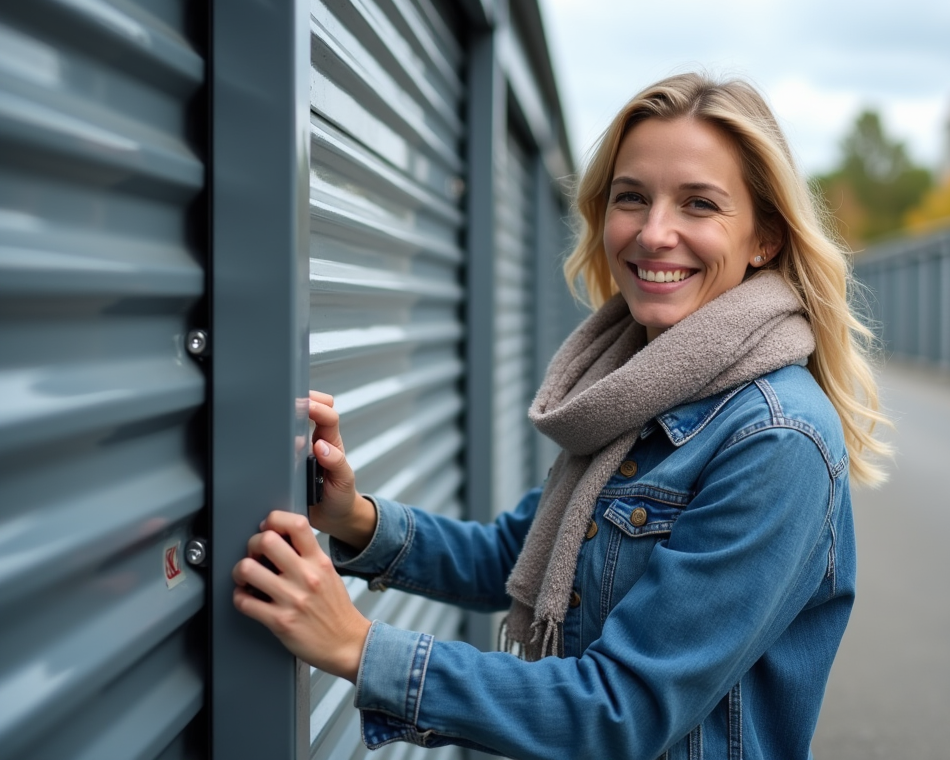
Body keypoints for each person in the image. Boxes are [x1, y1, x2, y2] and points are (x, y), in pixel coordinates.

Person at [232, 72, 890, 759]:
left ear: (766, 239)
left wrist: (358, 647)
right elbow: (515, 556)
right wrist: (352, 519)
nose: (654, 232)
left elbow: (622, 711)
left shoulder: (775, 440)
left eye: (699, 204)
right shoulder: (636, 391)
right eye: (632, 197)